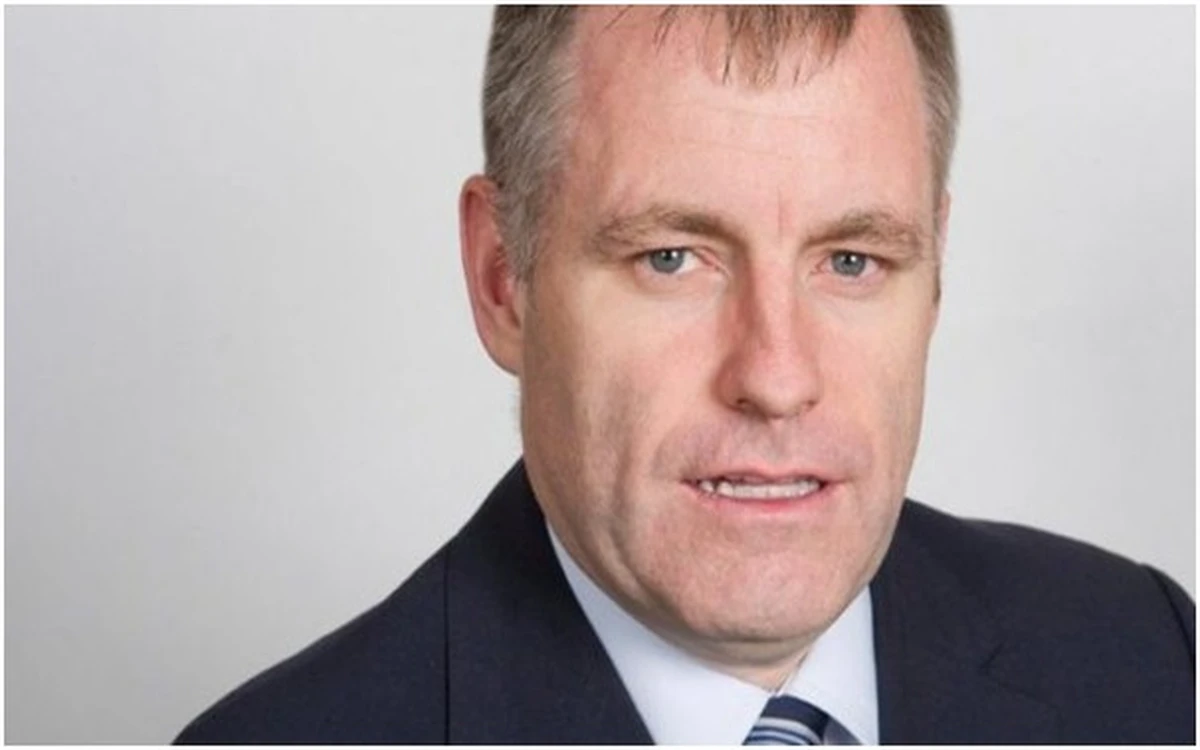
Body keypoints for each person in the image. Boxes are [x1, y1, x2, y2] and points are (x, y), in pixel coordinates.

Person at [176, 6, 1194, 744]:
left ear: (935, 272)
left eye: (852, 261)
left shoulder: (1149, 660)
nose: (777, 378)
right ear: (502, 281)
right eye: (671, 258)